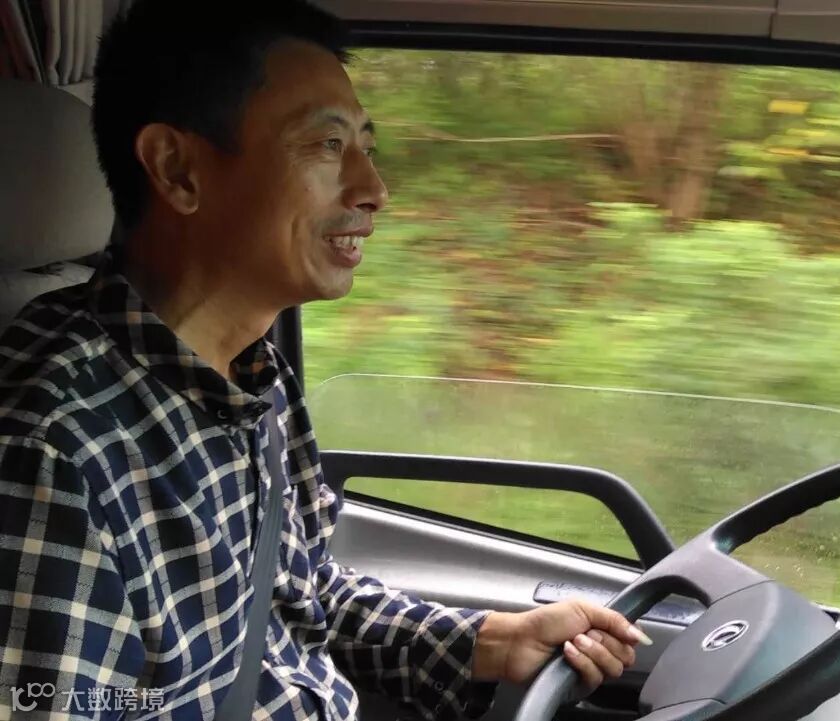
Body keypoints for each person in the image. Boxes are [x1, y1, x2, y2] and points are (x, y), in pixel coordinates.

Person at [0, 1, 647, 718]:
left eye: (366, 146)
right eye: (328, 145)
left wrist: (486, 641)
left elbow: (297, 597)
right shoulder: (52, 450)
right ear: (178, 170)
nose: (375, 191)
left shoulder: (253, 377)